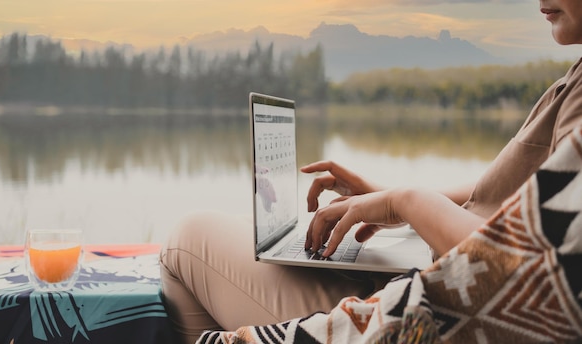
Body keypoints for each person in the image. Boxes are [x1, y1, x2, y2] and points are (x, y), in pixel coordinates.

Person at [160, 1, 582, 342]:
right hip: (434, 282)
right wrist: (384, 199)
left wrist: (406, 201)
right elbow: (524, 204)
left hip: (432, 315)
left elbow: (523, 272)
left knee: (187, 238)